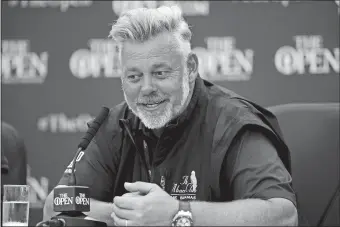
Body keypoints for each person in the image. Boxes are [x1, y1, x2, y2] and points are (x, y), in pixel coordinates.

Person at [44, 5, 298, 226]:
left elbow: (282, 216)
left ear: (190, 68)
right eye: (134, 77)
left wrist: (178, 215)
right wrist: (131, 216)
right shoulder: (115, 124)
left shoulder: (234, 124)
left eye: (160, 73)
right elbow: (55, 205)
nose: (146, 89)